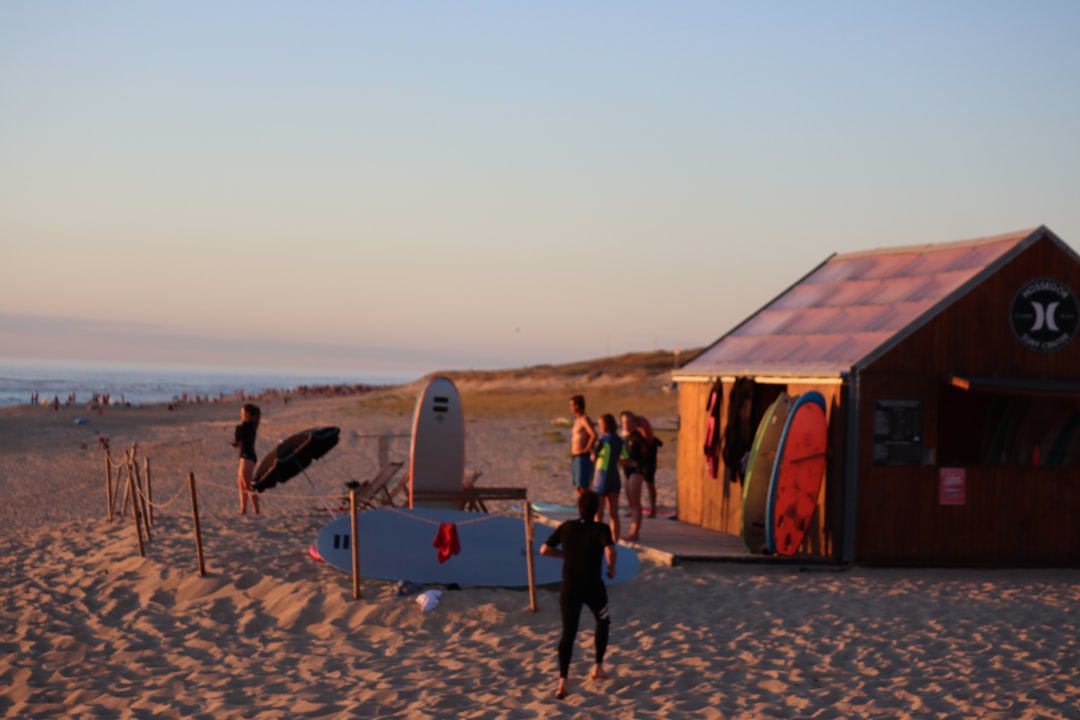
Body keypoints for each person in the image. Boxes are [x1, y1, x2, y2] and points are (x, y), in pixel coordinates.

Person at [539, 489, 616, 700]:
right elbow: (611, 550)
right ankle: (598, 667)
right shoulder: (601, 528)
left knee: (568, 633)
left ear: (578, 508)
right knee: (603, 620)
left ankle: (562, 680)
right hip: (593, 587)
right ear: (597, 509)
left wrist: (566, 554)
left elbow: (544, 550)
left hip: (570, 587)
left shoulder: (566, 527)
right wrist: (612, 568)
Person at [590, 413, 625, 542]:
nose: (599, 426)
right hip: (614, 477)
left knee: (598, 513)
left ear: (605, 425)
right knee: (613, 513)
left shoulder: (603, 440)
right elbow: (625, 457)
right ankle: (615, 540)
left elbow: (593, 457)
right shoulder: (620, 440)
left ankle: (597, 540)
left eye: (600, 424)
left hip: (601, 478)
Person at [619, 411, 649, 541]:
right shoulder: (625, 437)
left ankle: (634, 532)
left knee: (635, 502)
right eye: (623, 422)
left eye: (628, 422)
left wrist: (638, 463)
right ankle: (633, 529)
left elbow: (648, 454)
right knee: (631, 502)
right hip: (627, 471)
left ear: (634, 423)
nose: (625, 424)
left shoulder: (638, 437)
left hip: (637, 471)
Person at [231, 403, 261, 515]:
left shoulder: (249, 425)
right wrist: (236, 444)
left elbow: (238, 434)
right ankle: (243, 509)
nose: (241, 415)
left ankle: (256, 510)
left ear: (247, 414)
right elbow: (241, 440)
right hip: (244, 456)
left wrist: (242, 423)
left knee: (247, 484)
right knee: (241, 483)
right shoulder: (248, 425)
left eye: (242, 412)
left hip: (248, 457)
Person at [569, 395, 598, 496]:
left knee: (584, 486)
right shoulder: (577, 420)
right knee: (578, 486)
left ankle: (586, 507)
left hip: (583, 456)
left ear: (577, 406)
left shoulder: (584, 419)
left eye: (572, 405)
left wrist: (587, 448)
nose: (571, 408)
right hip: (576, 456)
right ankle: (581, 505)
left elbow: (594, 435)